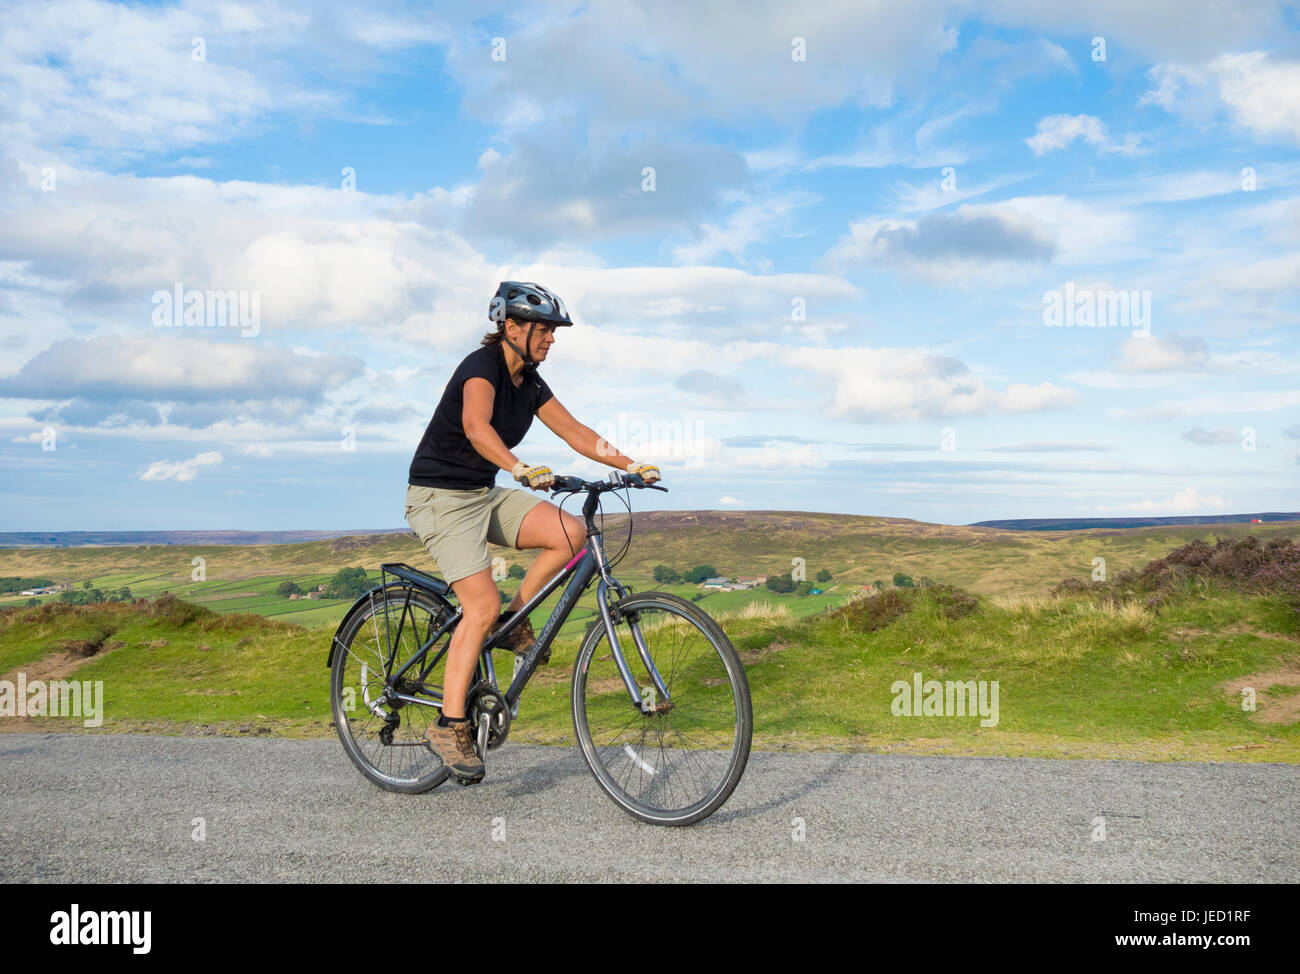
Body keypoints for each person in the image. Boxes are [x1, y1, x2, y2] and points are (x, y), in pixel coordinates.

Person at [405, 281, 661, 783]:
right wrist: (517, 466)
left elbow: (577, 432)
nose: (550, 339)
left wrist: (631, 463)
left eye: (552, 331)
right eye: (542, 329)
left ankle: (515, 620)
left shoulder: (532, 382)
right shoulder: (481, 368)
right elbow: (478, 428)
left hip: (481, 493)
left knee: (571, 533)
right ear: (510, 326)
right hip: (439, 497)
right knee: (478, 606)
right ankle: (449, 724)